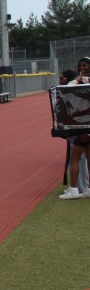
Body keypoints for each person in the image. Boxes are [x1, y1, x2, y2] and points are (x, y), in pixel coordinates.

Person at [60, 58, 90, 200]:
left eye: (85, 66)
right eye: (80, 66)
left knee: (75, 158)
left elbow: (67, 90)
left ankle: (74, 189)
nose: (82, 68)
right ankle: (87, 189)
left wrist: (77, 80)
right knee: (88, 158)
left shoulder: (79, 82)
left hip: (82, 126)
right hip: (85, 126)